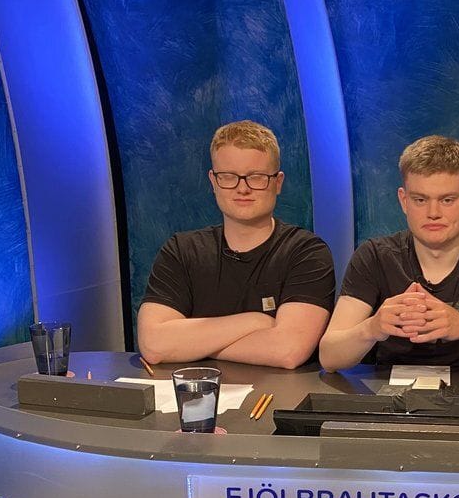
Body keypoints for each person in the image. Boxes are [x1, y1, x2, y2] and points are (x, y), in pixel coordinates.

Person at [319, 135, 459, 378]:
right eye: (420, 200)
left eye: (447, 200)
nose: (433, 213)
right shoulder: (374, 257)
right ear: (404, 201)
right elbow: (329, 357)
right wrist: (373, 327)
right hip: (387, 395)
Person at [137, 120, 334, 368]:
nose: (242, 188)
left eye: (256, 177)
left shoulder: (306, 253)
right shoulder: (181, 251)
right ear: (213, 181)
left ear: (278, 182)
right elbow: (154, 345)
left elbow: (288, 350)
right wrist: (256, 321)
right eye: (228, 177)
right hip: (197, 391)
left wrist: (192, 346)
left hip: (278, 392)